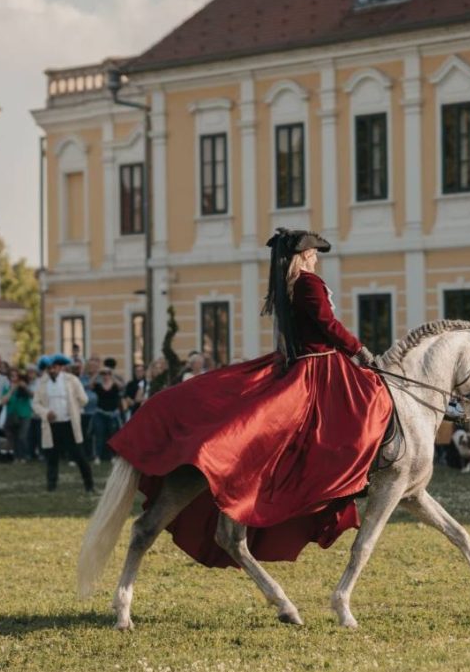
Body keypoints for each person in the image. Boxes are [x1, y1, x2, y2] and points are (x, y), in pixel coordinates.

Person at [108, 228, 392, 568]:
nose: (316, 259)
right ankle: (358, 473)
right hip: (319, 367)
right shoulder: (308, 283)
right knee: (370, 404)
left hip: (303, 363)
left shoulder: (287, 286)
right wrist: (360, 351)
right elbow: (327, 324)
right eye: (314, 253)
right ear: (304, 255)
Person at [32, 354, 95, 493]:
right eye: (49, 368)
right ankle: (51, 486)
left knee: (79, 456)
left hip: (69, 424)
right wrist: (46, 413)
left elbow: (83, 399)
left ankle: (89, 485)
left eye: (54, 367)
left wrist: (74, 409)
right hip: (52, 425)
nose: (51, 370)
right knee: (52, 457)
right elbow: (35, 404)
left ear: (60, 367)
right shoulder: (42, 383)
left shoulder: (71, 380)